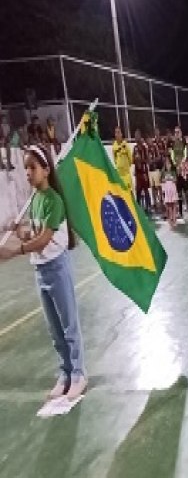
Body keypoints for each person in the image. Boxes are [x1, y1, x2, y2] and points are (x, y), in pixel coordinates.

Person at [0, 145, 87, 399]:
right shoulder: (35, 200)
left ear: (46, 170)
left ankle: (79, 373)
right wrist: (18, 231)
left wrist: (14, 251)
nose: (28, 172)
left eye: (32, 167)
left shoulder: (53, 200)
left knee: (69, 324)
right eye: (25, 167)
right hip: (40, 270)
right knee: (54, 328)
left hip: (57, 267)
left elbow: (45, 240)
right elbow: (34, 235)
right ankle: (66, 372)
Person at [170, 126, 188, 218]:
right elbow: (172, 155)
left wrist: (182, 164)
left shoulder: (184, 142)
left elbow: (186, 153)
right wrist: (176, 165)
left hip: (184, 169)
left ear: (181, 133)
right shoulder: (172, 143)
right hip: (176, 170)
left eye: (178, 132)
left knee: (186, 190)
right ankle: (181, 212)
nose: (177, 134)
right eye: (175, 132)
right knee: (178, 191)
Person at [133, 130, 151, 213]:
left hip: (144, 171)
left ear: (140, 136)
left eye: (137, 135)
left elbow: (147, 159)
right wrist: (136, 159)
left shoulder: (144, 147)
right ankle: (138, 207)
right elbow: (133, 160)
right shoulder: (135, 148)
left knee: (146, 189)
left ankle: (148, 206)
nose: (136, 137)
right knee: (138, 190)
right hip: (138, 172)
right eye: (135, 135)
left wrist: (141, 160)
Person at [113, 126, 133, 192]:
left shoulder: (125, 145)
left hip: (126, 175)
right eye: (116, 133)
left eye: (118, 132)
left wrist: (126, 166)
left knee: (129, 193)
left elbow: (130, 159)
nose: (117, 134)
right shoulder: (114, 146)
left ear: (121, 134)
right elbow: (115, 159)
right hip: (119, 176)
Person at [147, 136, 163, 214]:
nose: (148, 141)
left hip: (156, 169)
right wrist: (148, 162)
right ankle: (155, 203)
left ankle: (161, 202)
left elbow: (159, 157)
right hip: (150, 170)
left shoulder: (155, 147)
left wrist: (153, 161)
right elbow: (146, 159)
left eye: (149, 140)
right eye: (147, 140)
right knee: (153, 188)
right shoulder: (147, 149)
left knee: (158, 186)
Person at [162, 154, 178, 229]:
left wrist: (171, 178)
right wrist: (165, 179)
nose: (168, 165)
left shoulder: (173, 172)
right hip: (167, 189)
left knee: (174, 205)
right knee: (168, 205)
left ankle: (174, 219)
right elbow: (161, 180)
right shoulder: (163, 172)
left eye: (169, 164)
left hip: (172, 188)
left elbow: (175, 180)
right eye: (166, 164)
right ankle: (170, 220)